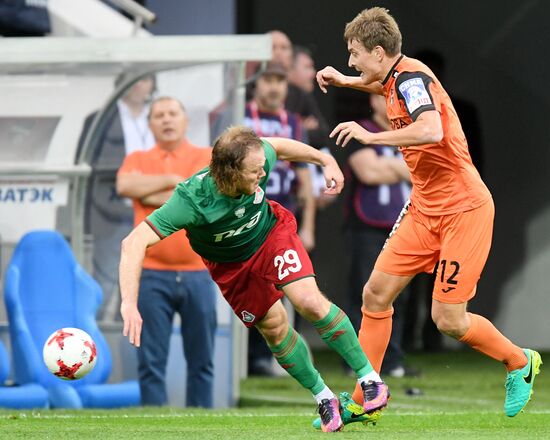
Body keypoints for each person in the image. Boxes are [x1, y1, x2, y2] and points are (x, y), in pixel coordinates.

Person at [316, 6, 541, 422]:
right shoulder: (395, 77)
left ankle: (519, 362)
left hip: (463, 210)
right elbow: (384, 88)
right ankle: (366, 398)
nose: (351, 61)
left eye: (354, 54)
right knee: (375, 295)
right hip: (424, 208)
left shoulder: (412, 79)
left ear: (379, 52)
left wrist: (371, 135)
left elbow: (430, 130)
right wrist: (346, 80)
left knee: (448, 319)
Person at [119, 125, 389, 432]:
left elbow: (281, 147)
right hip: (231, 266)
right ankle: (324, 397)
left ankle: (370, 380)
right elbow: (133, 243)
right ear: (229, 172)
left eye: (263, 167)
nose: (263, 175)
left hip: (271, 234)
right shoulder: (191, 200)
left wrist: (324, 161)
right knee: (274, 328)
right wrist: (129, 303)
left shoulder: (255, 159)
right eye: (254, 171)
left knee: (308, 301)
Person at [116, 96, 217, 407]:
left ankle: (201, 424)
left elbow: (206, 199)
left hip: (199, 273)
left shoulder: (207, 156)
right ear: (150, 124)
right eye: (158, 115)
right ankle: (153, 423)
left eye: (173, 113)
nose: (166, 119)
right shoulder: (136, 158)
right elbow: (124, 186)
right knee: (150, 361)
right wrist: (176, 183)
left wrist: (153, 192)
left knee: (202, 361)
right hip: (150, 275)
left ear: (185, 121)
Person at [244, 62, 316, 376]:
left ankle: (284, 355)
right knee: (252, 285)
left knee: (290, 283)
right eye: (268, 81)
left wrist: (309, 226)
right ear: (255, 85)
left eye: (279, 81)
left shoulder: (294, 123)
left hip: (281, 214)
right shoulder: (241, 117)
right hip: (245, 212)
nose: (274, 87)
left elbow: (305, 178)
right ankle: (253, 357)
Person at [344, 93, 415, 378]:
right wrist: (403, 168)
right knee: (364, 291)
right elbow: (369, 172)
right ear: (372, 101)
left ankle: (393, 359)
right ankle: (357, 362)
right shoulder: (362, 130)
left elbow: (425, 173)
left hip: (404, 226)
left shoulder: (410, 133)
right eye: (382, 97)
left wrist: (391, 167)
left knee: (399, 294)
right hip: (367, 225)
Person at [77, 74, 156, 321]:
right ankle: (90, 345)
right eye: (132, 80)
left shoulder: (157, 117)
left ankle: (129, 354)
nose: (138, 84)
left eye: (144, 79)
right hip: (110, 213)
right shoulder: (100, 119)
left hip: (150, 212)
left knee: (141, 290)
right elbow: (85, 172)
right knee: (104, 284)